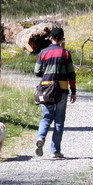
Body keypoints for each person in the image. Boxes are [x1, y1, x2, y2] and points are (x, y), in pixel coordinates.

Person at [34, 26, 76, 159]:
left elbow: (36, 71)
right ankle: (55, 151)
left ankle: (41, 137)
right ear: (62, 39)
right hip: (62, 89)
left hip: (46, 89)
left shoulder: (43, 52)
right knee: (59, 120)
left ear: (50, 38)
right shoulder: (66, 53)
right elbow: (71, 73)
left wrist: (46, 73)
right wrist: (73, 91)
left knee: (46, 117)